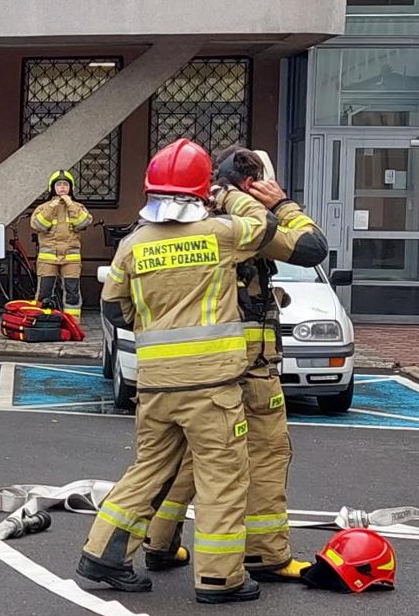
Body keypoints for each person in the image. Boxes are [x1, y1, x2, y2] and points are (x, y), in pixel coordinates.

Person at [76, 139, 314, 605]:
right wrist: (242, 195)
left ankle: (101, 553)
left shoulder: (132, 245)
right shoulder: (219, 234)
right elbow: (266, 226)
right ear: (202, 191)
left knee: (148, 470)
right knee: (223, 479)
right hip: (212, 386)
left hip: (156, 386)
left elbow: (114, 311)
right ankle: (220, 580)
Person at [142, 147, 328, 584]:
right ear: (251, 184)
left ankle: (158, 540)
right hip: (249, 365)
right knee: (264, 454)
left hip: (190, 367)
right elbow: (312, 247)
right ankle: (264, 554)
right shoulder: (246, 225)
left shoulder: (178, 222)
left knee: (191, 456)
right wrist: (281, 204)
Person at [29, 170, 94, 319]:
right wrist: (52, 207)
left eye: (65, 184)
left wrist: (70, 204)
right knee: (44, 292)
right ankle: (42, 321)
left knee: (72, 292)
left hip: (71, 258)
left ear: (71, 187)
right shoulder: (44, 207)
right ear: (52, 188)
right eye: (59, 184)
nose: (62, 187)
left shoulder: (77, 207)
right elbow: (39, 225)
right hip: (47, 258)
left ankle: (72, 323)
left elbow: (83, 222)